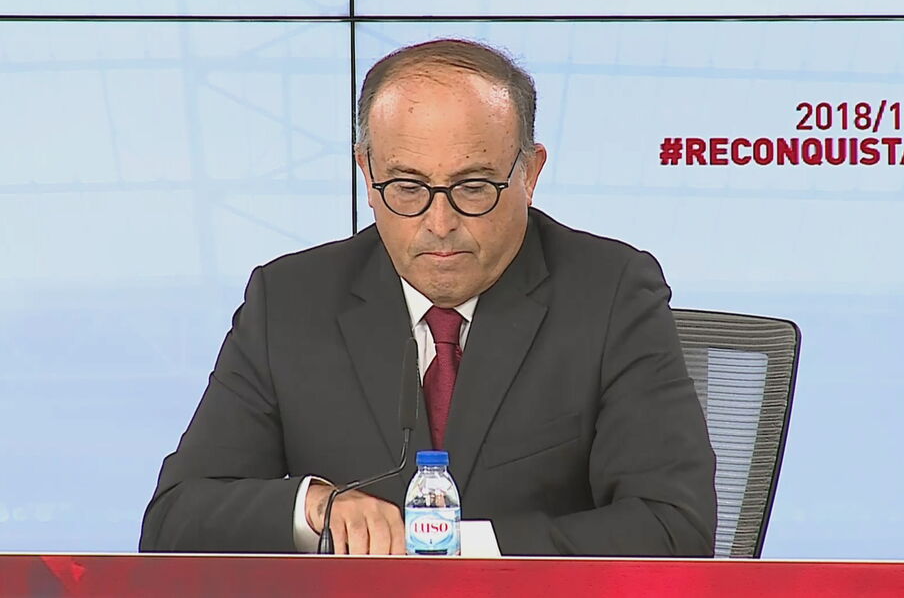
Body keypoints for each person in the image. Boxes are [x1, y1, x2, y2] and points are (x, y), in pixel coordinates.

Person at [140, 39, 716, 556]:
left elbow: (673, 526)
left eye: (473, 187)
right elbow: (175, 521)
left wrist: (453, 549)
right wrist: (315, 507)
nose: (440, 223)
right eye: (408, 187)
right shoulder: (289, 301)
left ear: (530, 174)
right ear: (367, 174)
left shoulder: (612, 293)